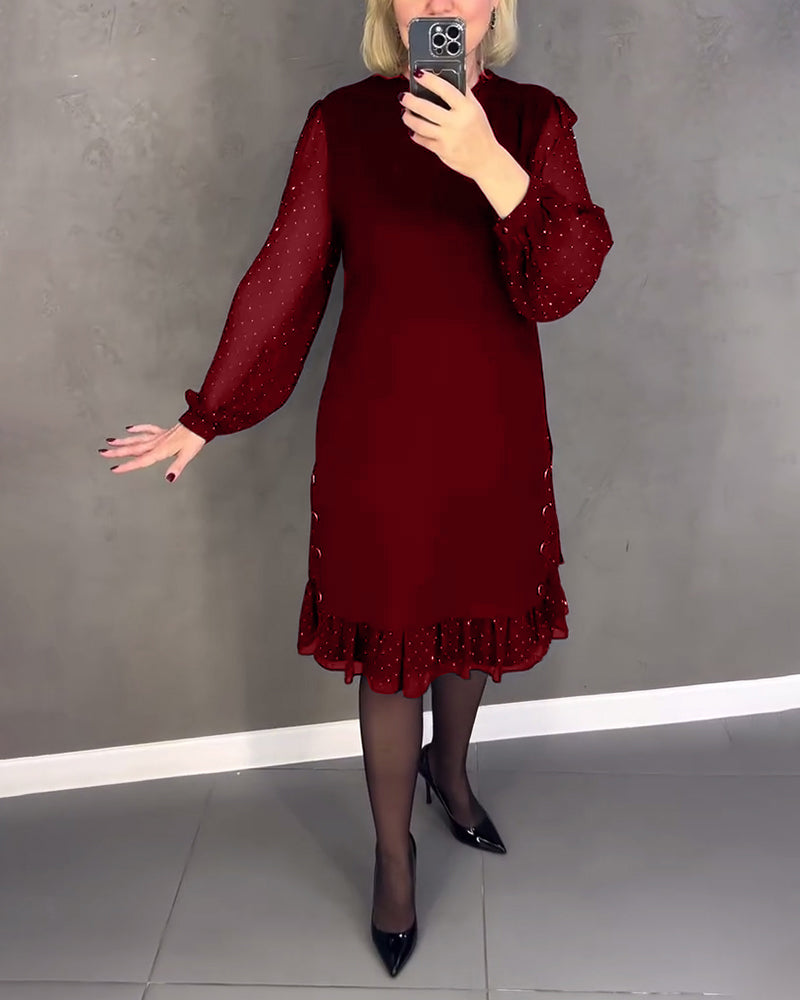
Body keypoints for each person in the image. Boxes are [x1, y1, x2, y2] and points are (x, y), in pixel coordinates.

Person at [98, 0, 612, 978]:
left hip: (493, 431)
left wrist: (486, 161)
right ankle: (393, 859)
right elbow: (286, 271)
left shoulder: (536, 119)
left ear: (495, 5)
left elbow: (559, 283)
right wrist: (207, 413)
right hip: (378, 438)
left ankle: (450, 777)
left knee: (474, 615)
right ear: (388, 6)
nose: (440, 5)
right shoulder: (341, 121)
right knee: (392, 647)